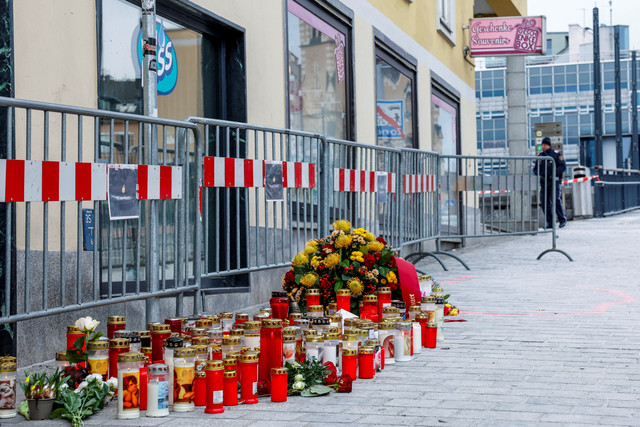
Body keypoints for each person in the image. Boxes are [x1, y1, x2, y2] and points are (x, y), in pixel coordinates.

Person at [534, 137, 567, 229]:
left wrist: (553, 173)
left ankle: (562, 219)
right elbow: (535, 169)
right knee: (545, 202)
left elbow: (563, 166)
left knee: (555, 199)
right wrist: (539, 174)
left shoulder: (556, 154)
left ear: (548, 145)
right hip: (544, 182)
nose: (543, 147)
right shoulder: (540, 156)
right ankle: (550, 222)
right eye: (542, 145)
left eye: (544, 145)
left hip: (554, 181)